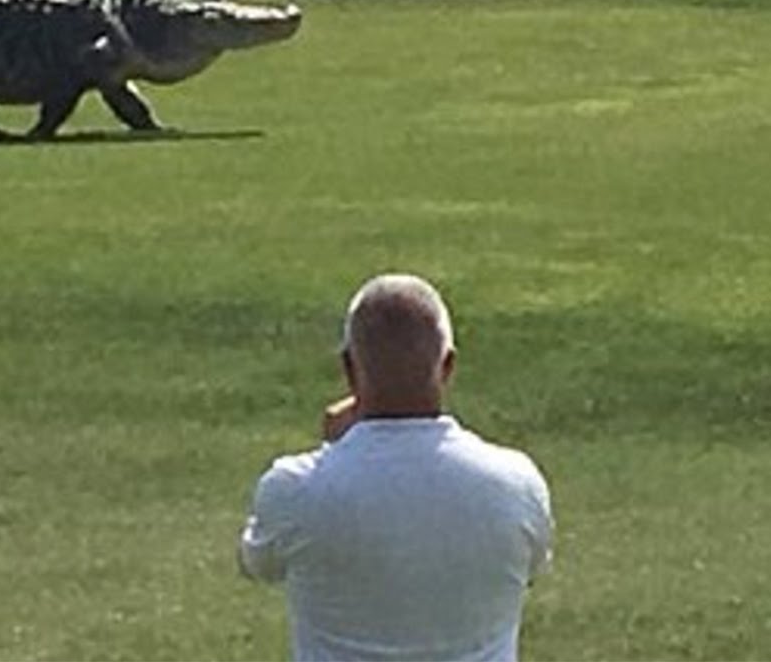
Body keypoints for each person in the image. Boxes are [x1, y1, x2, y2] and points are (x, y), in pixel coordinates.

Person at [237, 273, 554, 661]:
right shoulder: (517, 485)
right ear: (447, 366)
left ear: (349, 369)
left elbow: (257, 562)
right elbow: (533, 568)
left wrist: (334, 449)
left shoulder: (294, 489)